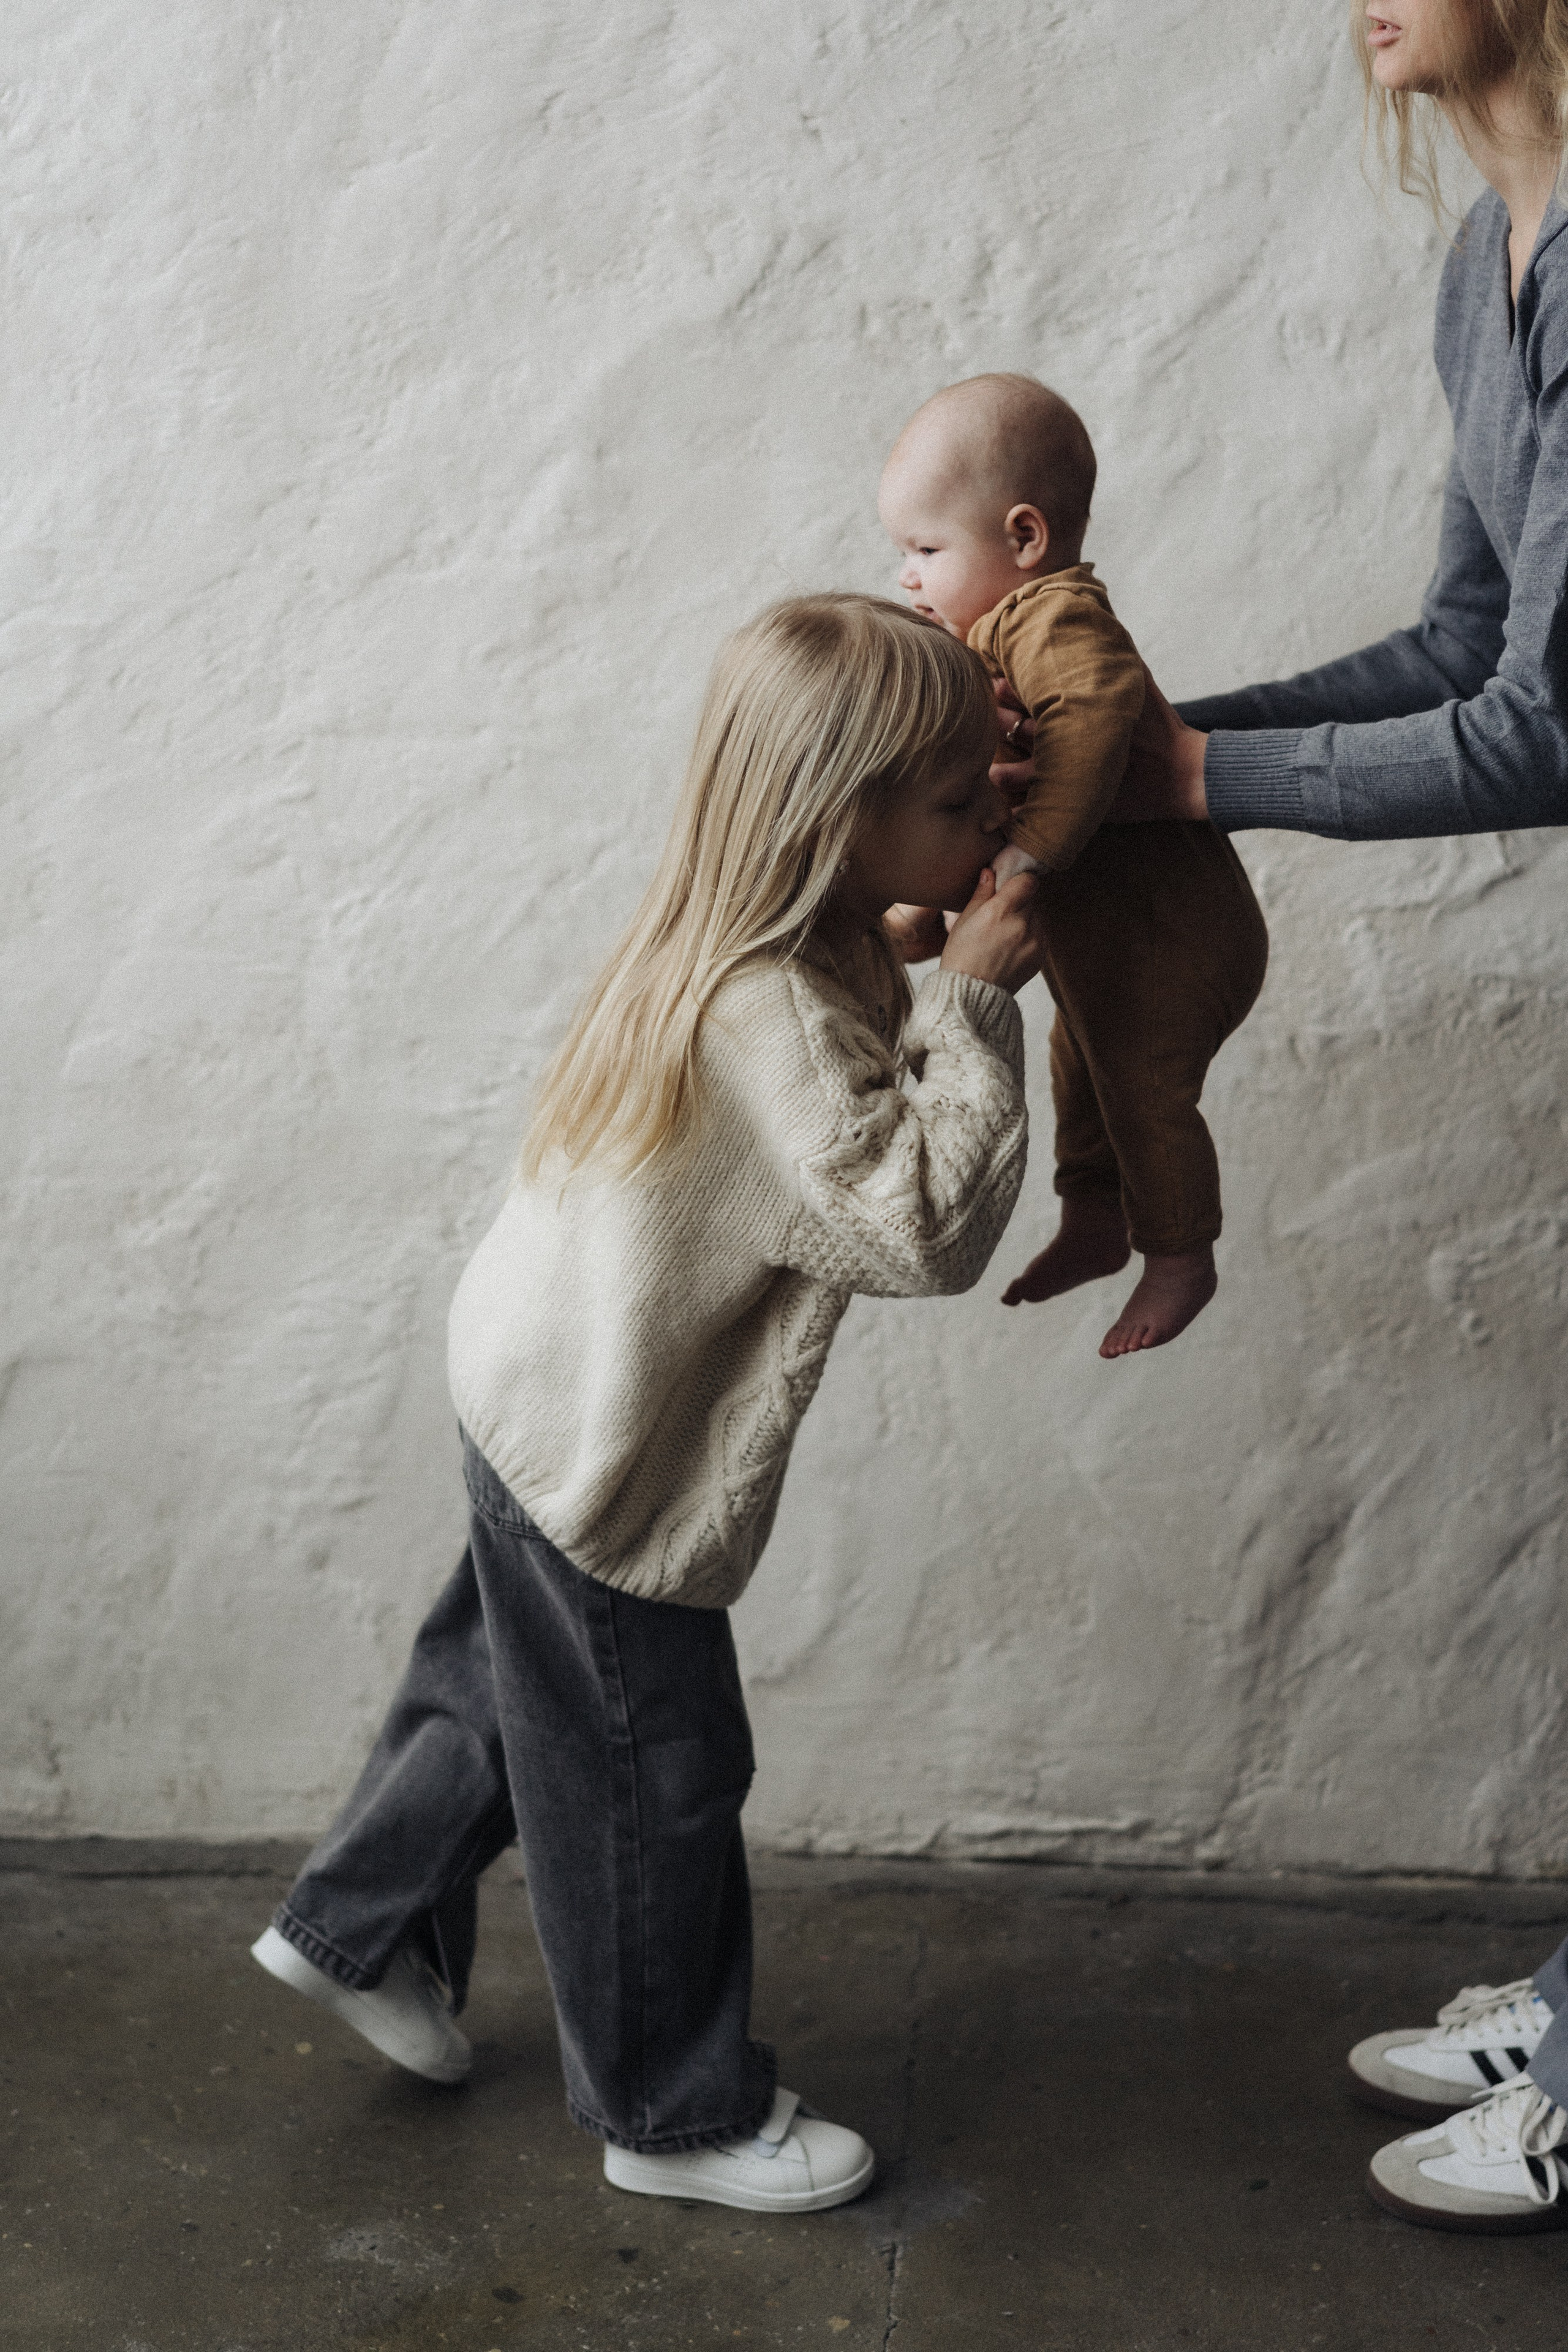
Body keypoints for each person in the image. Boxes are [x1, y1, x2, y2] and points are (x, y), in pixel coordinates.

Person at [247, 593, 1044, 2216]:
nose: (990, 825)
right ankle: (672, 2115)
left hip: (526, 1388)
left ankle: (355, 1923)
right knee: (649, 1771)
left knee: (511, 1692)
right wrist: (971, 993)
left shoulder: (748, 942)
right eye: (961, 802)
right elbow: (915, 1222)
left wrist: (913, 946)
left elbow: (831, 1074)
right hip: (609, 1455)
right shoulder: (772, 1010)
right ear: (844, 819)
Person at [1089, 0, 1568, 2233]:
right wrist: (1170, 743)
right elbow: (1455, 641)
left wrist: (1180, 782)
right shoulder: (1486, 261)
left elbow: (1540, 735)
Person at [879, 375, 1268, 1358]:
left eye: (926, 551)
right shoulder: (998, 640)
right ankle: (1095, 1220)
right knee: (1080, 1066)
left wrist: (1033, 848)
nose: (908, 578)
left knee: (1140, 1086)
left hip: (1178, 940)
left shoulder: (1052, 618)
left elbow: (1095, 713)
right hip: (1110, 951)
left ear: (1024, 539)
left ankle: (1181, 1254)